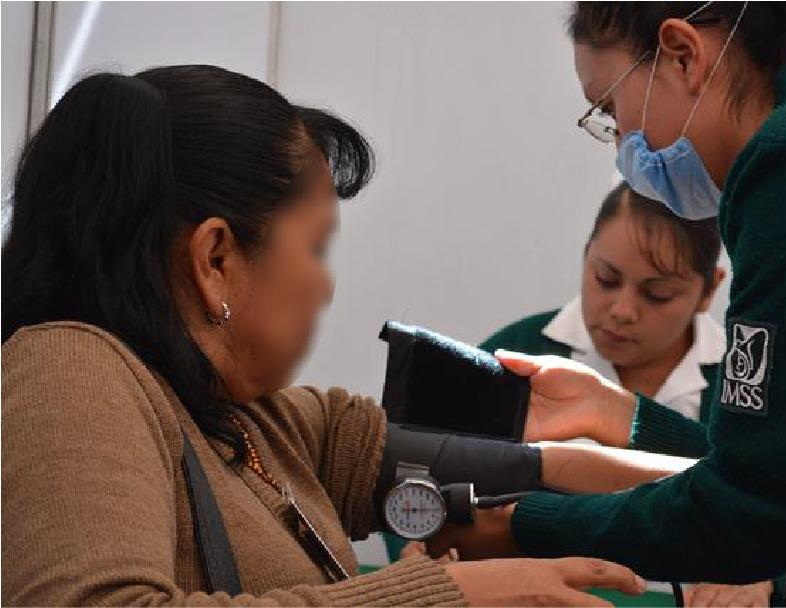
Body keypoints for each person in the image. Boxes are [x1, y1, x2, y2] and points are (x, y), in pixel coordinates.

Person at [0, 66, 653, 607]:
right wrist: (441, 595)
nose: (325, 286)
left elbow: (494, 465)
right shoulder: (70, 368)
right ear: (215, 258)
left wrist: (612, 436)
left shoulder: (247, 419)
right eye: (314, 248)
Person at [427, 3, 786, 606]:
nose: (621, 145)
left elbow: (755, 509)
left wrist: (521, 524)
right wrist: (624, 417)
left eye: (610, 110)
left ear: (683, 55)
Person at [480, 180, 786, 606]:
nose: (622, 311)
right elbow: (433, 499)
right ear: (586, 254)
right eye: (606, 279)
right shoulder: (516, 360)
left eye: (657, 294)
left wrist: (766, 578)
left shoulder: (752, 387)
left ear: (709, 289)